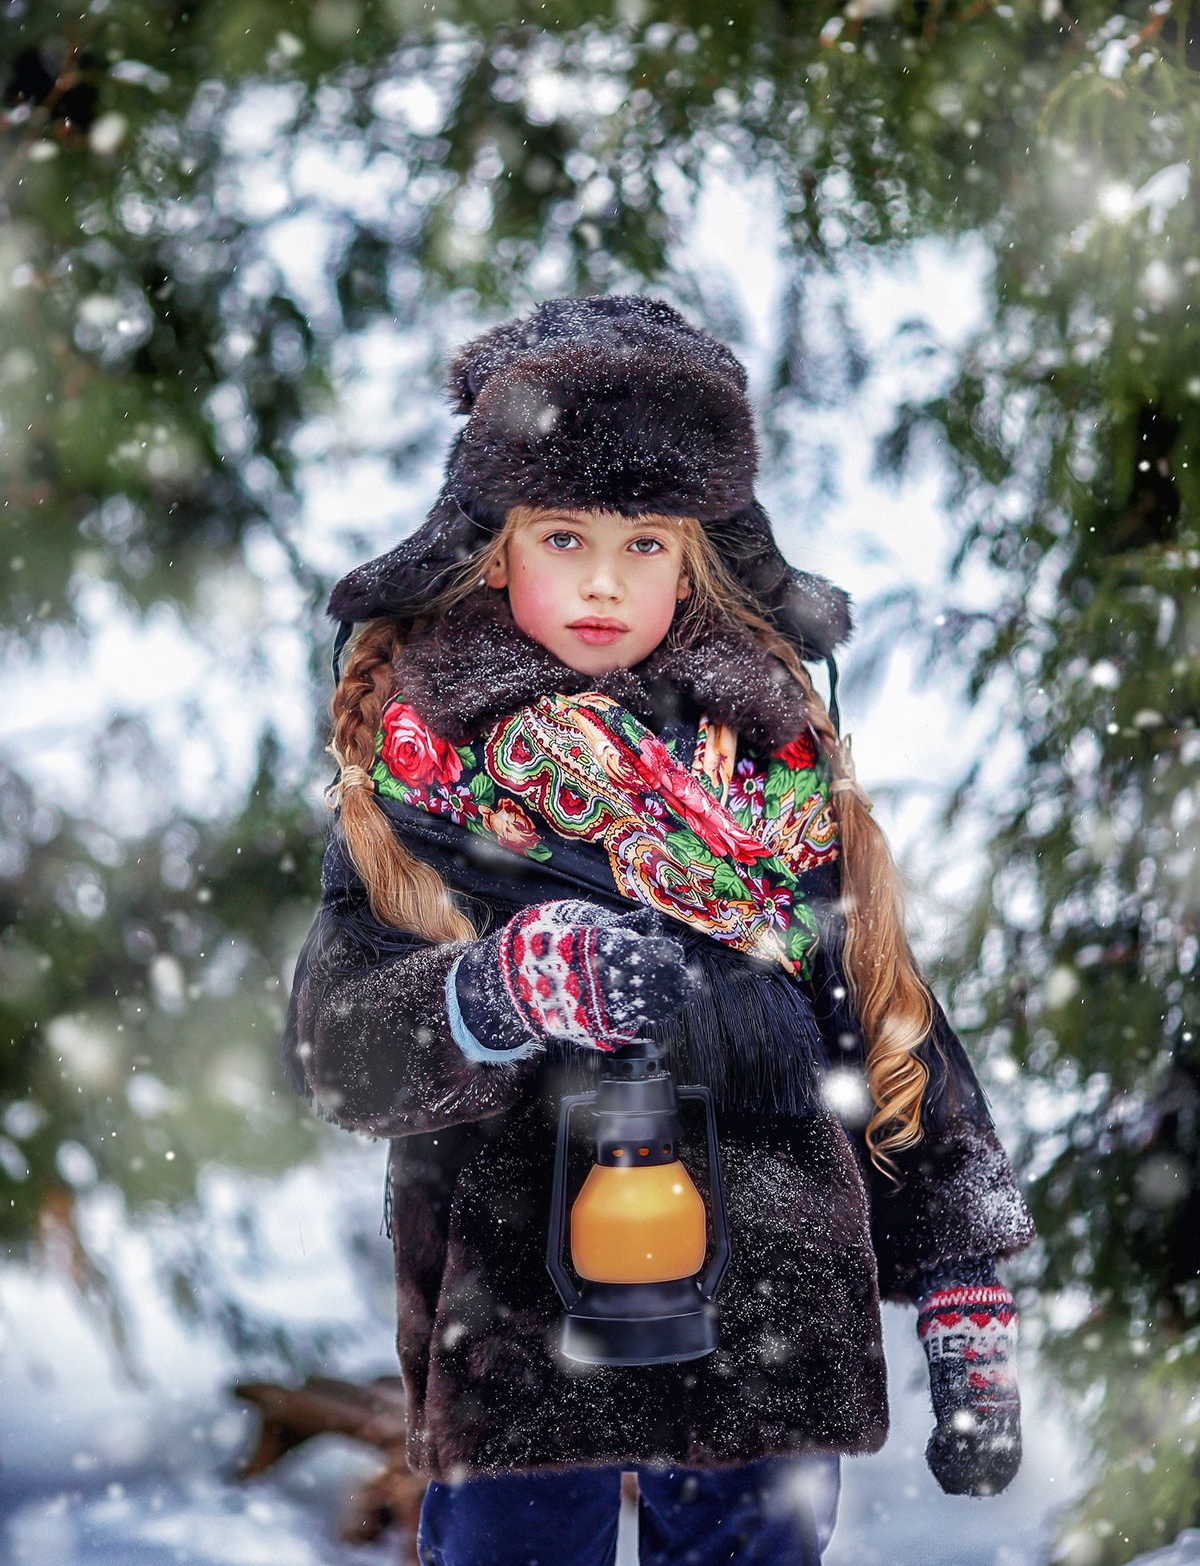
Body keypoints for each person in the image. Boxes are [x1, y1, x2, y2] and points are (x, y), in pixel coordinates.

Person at [285, 295, 1034, 1566]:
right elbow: (340, 1047)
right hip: (520, 1329)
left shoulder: (777, 776)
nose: (599, 580)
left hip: (772, 1326)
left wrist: (964, 1280)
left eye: (644, 544)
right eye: (562, 534)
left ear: (697, 557)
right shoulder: (423, 780)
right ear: (490, 548)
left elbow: (886, 1024)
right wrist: (497, 991)